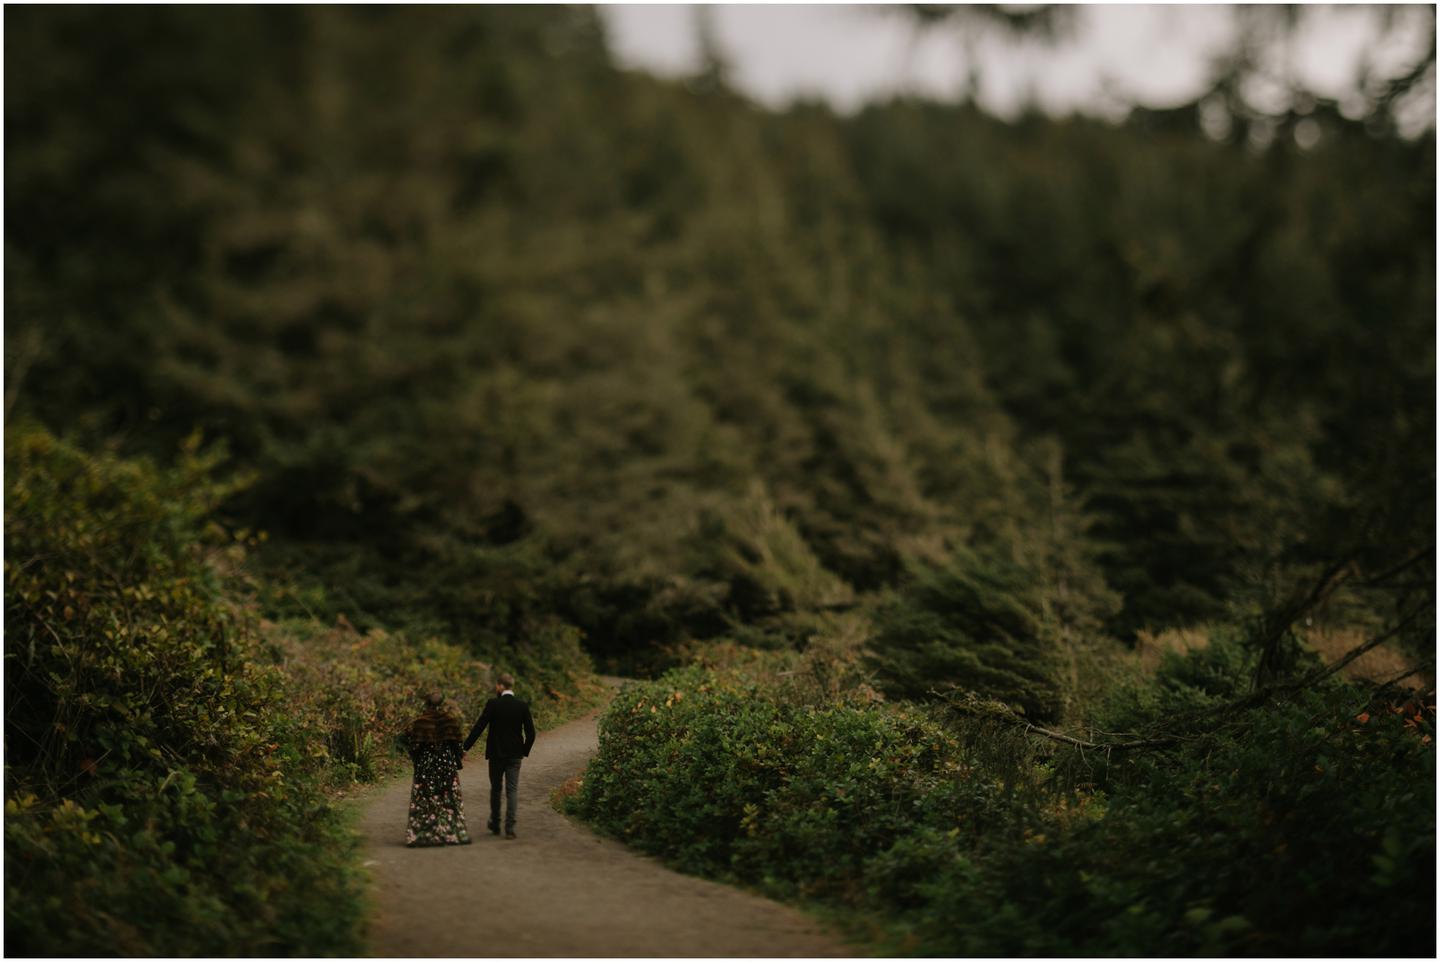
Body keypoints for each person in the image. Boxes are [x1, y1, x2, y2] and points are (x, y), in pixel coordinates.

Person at [463, 672, 536, 839]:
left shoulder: (493, 704)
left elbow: (479, 726)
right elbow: (531, 733)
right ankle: (510, 828)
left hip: (496, 754)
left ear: (501, 686)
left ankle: (495, 823)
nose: (496, 688)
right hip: (515, 755)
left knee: (496, 789)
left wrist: (465, 747)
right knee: (512, 790)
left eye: (497, 685)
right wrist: (523, 750)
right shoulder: (522, 706)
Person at [400, 691, 471, 847]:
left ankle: (425, 835)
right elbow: (457, 745)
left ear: (427, 703)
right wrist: (458, 757)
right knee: (448, 798)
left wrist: (415, 755)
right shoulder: (450, 721)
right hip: (446, 764)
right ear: (442, 703)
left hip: (426, 765)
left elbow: (415, 746)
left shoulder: (420, 722)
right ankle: (450, 833)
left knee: (425, 798)